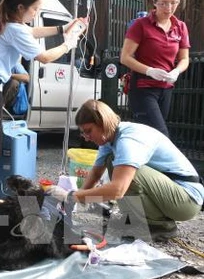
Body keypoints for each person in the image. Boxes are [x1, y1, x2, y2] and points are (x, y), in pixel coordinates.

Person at [0, 0, 85, 193]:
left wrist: (62, 28)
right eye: (35, 8)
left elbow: (30, 32)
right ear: (21, 8)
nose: (37, 12)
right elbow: (43, 57)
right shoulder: (15, 29)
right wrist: (67, 44)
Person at [46, 99, 203, 242]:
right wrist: (72, 202)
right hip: (171, 192)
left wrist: (71, 196)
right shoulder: (109, 139)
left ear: (103, 122)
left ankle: (160, 227)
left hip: (187, 199)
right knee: (113, 163)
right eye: (83, 132)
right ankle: (143, 221)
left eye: (88, 130)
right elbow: (95, 173)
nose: (86, 137)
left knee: (124, 172)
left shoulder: (129, 140)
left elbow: (117, 190)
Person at [120, 0, 190, 137]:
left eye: (173, 3)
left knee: (148, 137)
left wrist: (177, 71)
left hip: (166, 88)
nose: (169, 8)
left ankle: (125, 160)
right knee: (161, 135)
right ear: (154, 2)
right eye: (163, 3)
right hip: (143, 87)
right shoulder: (141, 25)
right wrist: (149, 70)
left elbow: (184, 58)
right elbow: (125, 57)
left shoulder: (181, 27)